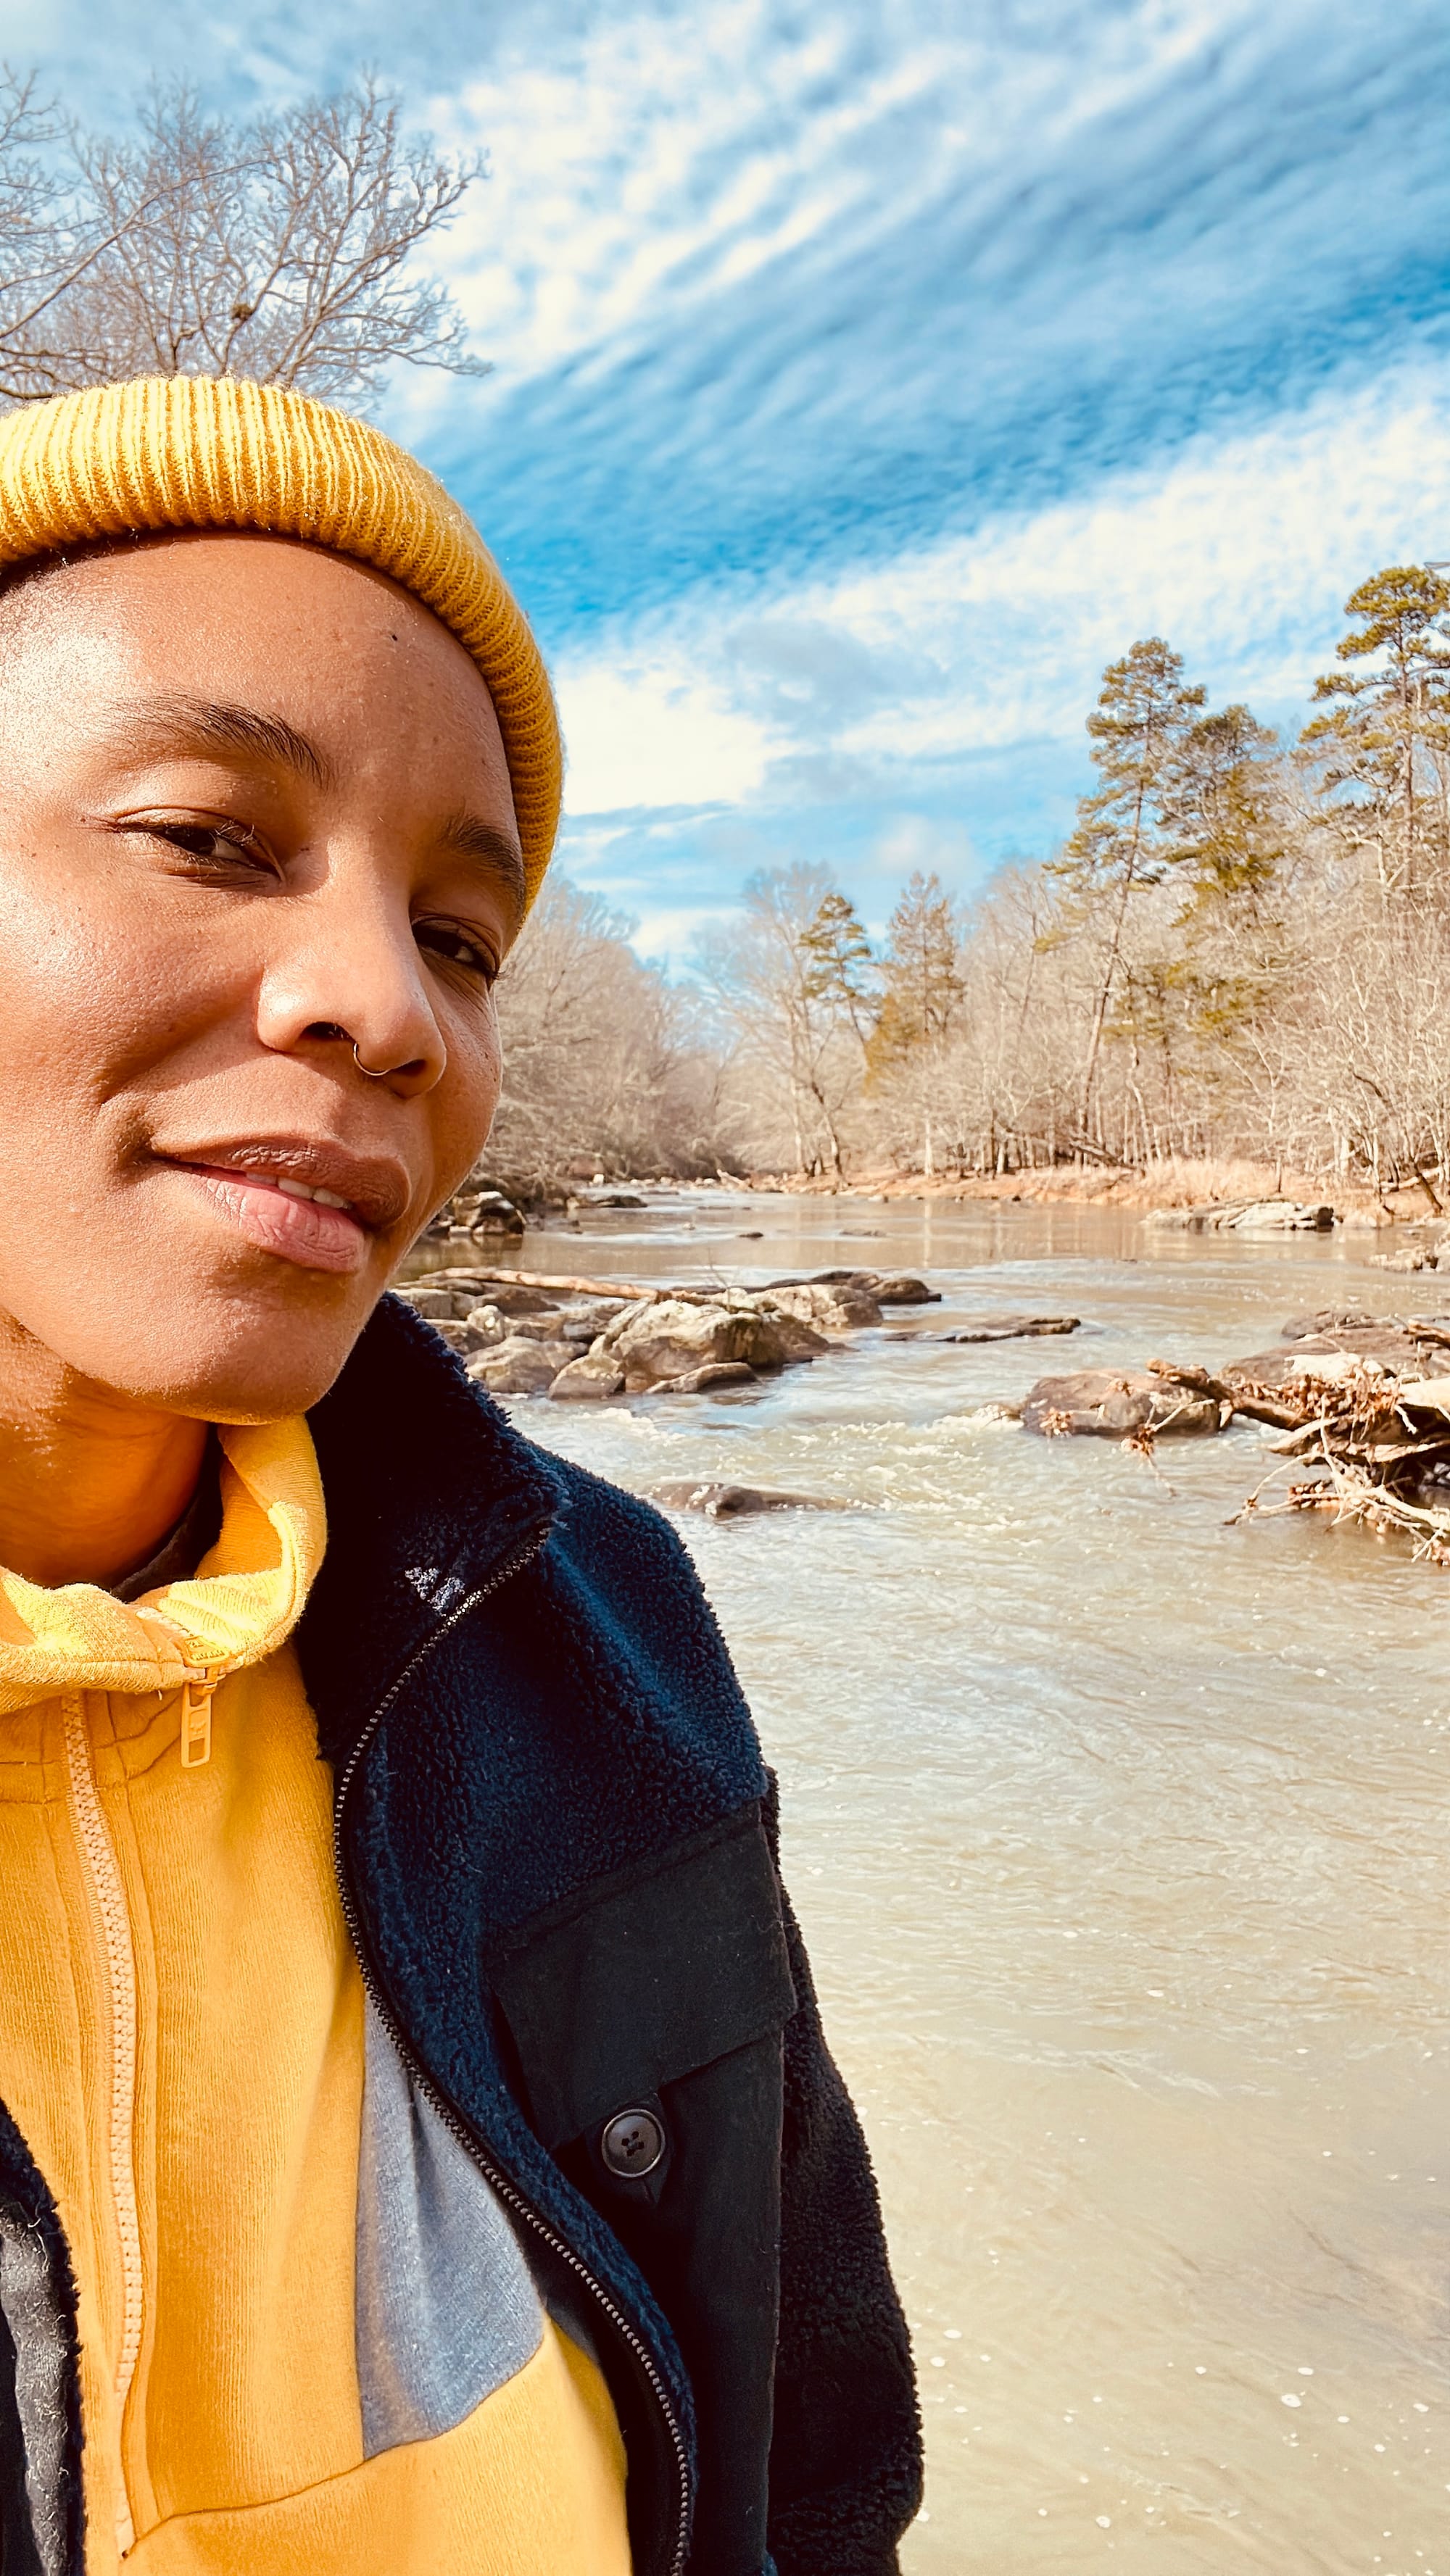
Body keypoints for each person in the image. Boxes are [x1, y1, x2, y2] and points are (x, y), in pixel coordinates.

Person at [0, 376, 921, 2576]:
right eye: (215, 836)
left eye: (461, 935)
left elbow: (814, 2461)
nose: (384, 1007)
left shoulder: (595, 1627)